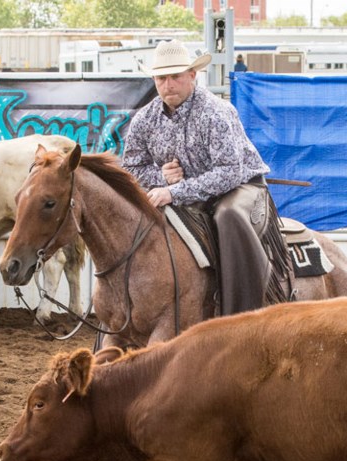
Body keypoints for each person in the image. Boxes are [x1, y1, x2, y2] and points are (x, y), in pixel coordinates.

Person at [122, 39, 289, 316]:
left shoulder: (216, 112)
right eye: (162, 78)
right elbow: (132, 168)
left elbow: (229, 171)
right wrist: (161, 176)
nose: (168, 84)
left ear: (192, 75)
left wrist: (174, 192)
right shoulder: (144, 119)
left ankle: (244, 313)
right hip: (182, 189)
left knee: (228, 217)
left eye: (175, 76)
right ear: (154, 80)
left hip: (239, 187)